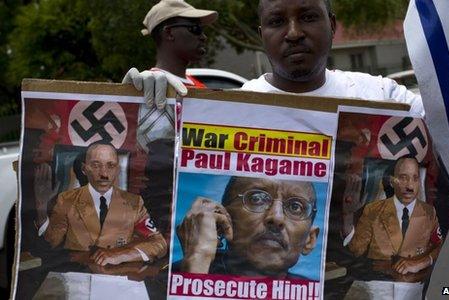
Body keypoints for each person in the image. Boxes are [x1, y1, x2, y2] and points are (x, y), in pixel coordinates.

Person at [124, 0, 424, 118]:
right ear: (261, 34)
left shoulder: (385, 97)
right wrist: (134, 113)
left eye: (307, 17)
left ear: (332, 26)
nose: (293, 33)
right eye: (277, 22)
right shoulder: (232, 114)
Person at [34, 141, 167, 266]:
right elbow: (52, 242)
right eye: (96, 165)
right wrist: (41, 207)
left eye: (111, 166)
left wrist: (120, 255)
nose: (104, 174)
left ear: (117, 169)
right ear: (84, 169)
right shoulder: (66, 199)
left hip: (119, 277)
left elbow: (159, 244)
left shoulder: (134, 203)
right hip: (76, 273)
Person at [175, 176, 319, 278]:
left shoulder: (320, 294)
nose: (276, 217)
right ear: (222, 219)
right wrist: (197, 263)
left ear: (310, 240)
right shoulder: (172, 277)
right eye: (256, 199)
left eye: (295, 207)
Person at [342, 156, 442, 275]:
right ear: (392, 181)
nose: (410, 186)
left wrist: (420, 263)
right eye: (404, 178)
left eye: (415, 179)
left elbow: (441, 246)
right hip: (376, 284)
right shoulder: (373, 210)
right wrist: (348, 215)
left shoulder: (430, 212)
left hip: (414, 285)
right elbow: (356, 250)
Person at [122, 0, 218, 109]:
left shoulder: (201, 87)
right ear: (169, 33)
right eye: (196, 29)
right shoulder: (146, 86)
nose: (203, 37)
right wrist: (130, 95)